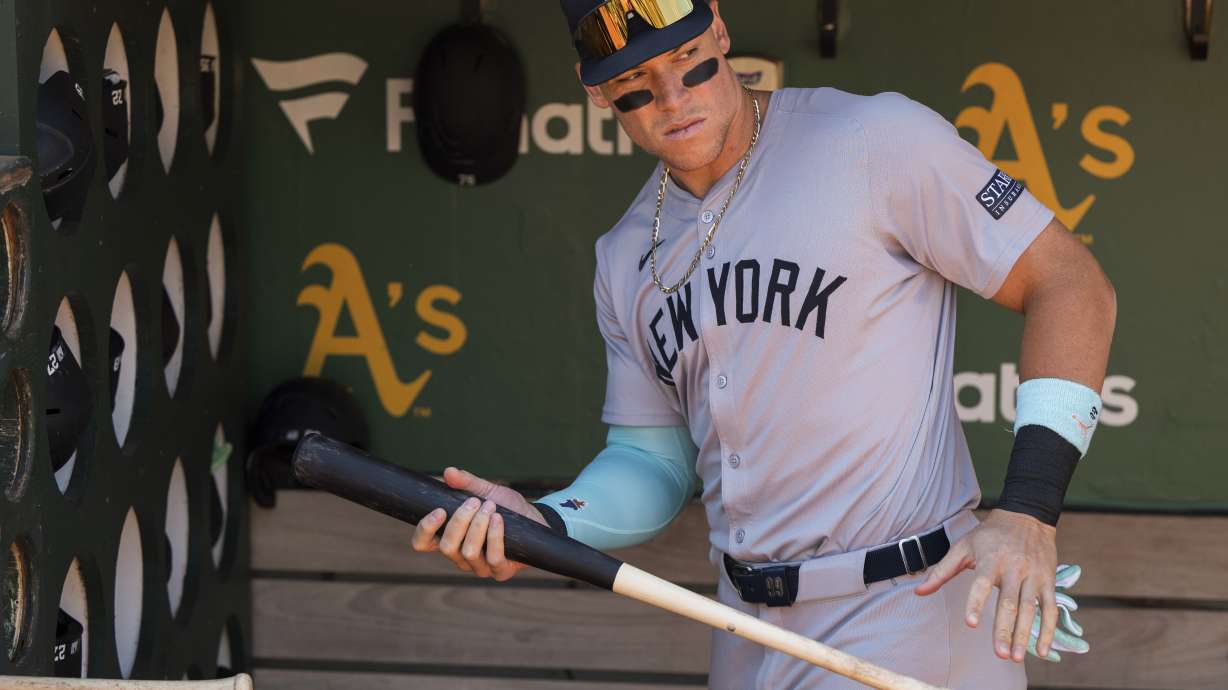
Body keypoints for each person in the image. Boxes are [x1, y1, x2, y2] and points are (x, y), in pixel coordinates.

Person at [410, 2, 1114, 687]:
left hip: (907, 604)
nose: (673, 99)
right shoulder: (625, 257)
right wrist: (549, 521)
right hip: (745, 628)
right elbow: (649, 462)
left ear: (718, 28)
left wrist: (1027, 511)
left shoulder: (875, 140)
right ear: (596, 91)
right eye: (635, 88)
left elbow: (1070, 284)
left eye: (690, 62)